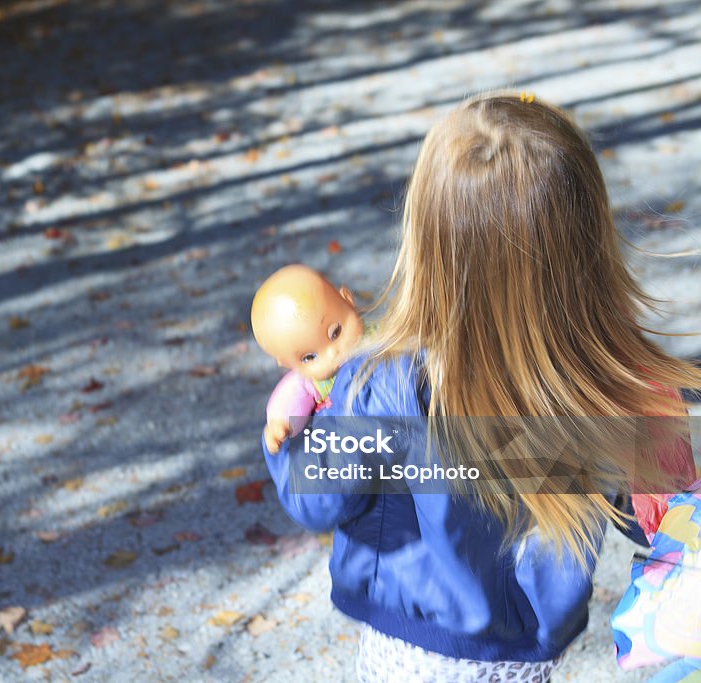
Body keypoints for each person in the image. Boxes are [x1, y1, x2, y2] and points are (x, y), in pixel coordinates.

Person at [259, 92, 701, 682]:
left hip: (412, 651)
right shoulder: (607, 379)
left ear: (429, 241)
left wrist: (288, 445)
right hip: (524, 655)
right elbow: (662, 512)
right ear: (585, 241)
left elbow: (319, 498)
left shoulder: (383, 387)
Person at [251, 264, 365, 453]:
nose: (332, 354)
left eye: (335, 332)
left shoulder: (378, 337)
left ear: (348, 301)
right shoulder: (309, 383)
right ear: (287, 364)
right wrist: (281, 424)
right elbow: (288, 399)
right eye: (309, 357)